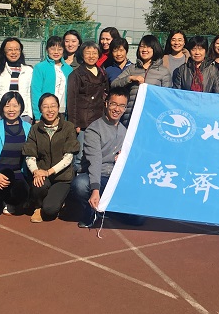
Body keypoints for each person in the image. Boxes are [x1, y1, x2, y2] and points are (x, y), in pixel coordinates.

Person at [71, 89, 144, 227]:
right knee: (80, 185)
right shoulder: (94, 129)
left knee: (139, 219)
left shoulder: (125, 131)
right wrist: (95, 190)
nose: (117, 109)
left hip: (116, 179)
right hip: (98, 176)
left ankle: (108, 211)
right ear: (106, 104)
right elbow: (95, 161)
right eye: (113, 104)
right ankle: (91, 213)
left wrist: (124, 158)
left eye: (122, 106)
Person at [23, 94, 79, 223]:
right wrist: (36, 171)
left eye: (53, 106)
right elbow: (30, 154)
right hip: (42, 175)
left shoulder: (68, 127)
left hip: (62, 178)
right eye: (45, 107)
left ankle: (57, 202)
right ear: (40, 110)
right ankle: (37, 207)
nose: (50, 110)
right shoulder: (35, 129)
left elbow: (68, 157)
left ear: (58, 107)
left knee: (50, 210)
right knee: (38, 186)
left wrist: (49, 172)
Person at [0, 91, 32, 225]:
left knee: (23, 192)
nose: (11, 109)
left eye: (15, 105)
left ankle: (8, 201)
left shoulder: (28, 128)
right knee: (6, 174)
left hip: (18, 173)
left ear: (21, 107)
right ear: (2, 108)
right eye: (7, 106)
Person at [111, 35, 172, 126]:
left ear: (155, 49)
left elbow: (166, 97)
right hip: (130, 116)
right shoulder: (132, 68)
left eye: (148, 47)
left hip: (152, 117)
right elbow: (114, 84)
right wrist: (130, 78)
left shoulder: (163, 72)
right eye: (142, 46)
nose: (144, 50)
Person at [67, 41, 110, 171]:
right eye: (88, 53)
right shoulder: (76, 74)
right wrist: (74, 124)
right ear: (82, 55)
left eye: (94, 53)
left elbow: (106, 94)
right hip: (83, 121)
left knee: (96, 152)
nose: (91, 56)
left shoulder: (102, 73)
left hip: (99, 119)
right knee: (80, 156)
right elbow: (72, 100)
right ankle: (78, 180)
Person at [0, 37, 34, 125]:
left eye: (17, 49)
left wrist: (30, 115)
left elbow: (29, 95)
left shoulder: (29, 70)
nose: (13, 52)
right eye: (10, 50)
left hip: (23, 114)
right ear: (4, 52)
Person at [31, 36, 74, 121]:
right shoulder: (40, 67)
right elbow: (36, 92)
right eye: (53, 49)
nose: (56, 52)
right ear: (47, 49)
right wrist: (38, 115)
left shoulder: (68, 69)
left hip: (63, 112)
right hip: (46, 112)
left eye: (60, 49)